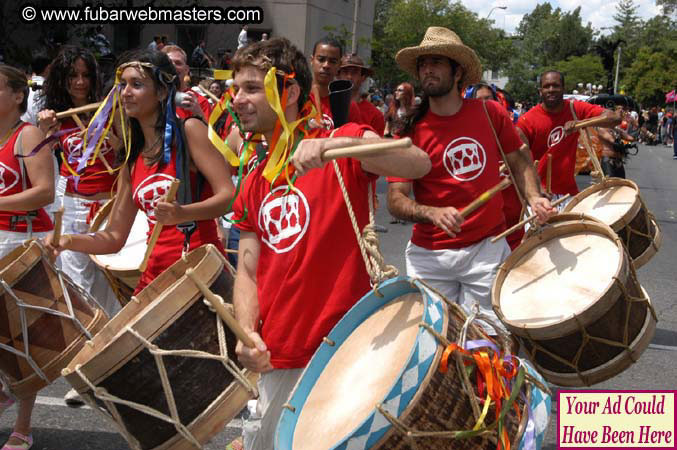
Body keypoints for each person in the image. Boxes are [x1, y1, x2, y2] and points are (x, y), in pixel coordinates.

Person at [226, 37, 430, 450]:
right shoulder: (253, 180)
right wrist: (247, 333)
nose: (237, 100)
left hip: (349, 350)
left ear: (289, 90)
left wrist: (336, 145)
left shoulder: (344, 142)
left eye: (250, 88)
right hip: (279, 354)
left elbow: (417, 162)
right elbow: (248, 270)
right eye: (235, 90)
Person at [386, 27, 554, 327]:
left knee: (487, 345)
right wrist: (431, 212)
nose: (427, 69)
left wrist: (534, 198)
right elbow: (396, 199)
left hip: (486, 249)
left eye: (436, 62)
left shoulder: (490, 114)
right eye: (423, 64)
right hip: (429, 257)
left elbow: (520, 161)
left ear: (458, 71)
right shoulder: (411, 130)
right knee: (433, 349)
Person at [44, 49, 233, 295]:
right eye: (123, 85)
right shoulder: (133, 158)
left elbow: (229, 196)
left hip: (201, 270)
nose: (126, 92)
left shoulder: (189, 131)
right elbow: (114, 237)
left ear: (162, 91)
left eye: (137, 84)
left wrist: (183, 213)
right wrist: (69, 241)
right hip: (155, 276)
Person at [37, 46, 120, 318]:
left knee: (115, 276)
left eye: (86, 75)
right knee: (78, 280)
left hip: (112, 206)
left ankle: (120, 332)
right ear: (62, 78)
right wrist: (43, 131)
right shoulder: (55, 118)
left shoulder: (111, 111)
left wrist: (116, 138)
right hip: (73, 206)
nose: (80, 82)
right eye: (73, 75)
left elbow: (127, 155)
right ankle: (92, 339)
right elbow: (37, 158)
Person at [0, 64, 54, 450]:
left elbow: (44, 192)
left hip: (22, 239)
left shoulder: (28, 133)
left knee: (24, 338)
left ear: (19, 95)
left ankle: (23, 426)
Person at [517, 71, 620, 206]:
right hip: (539, 196)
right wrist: (536, 191)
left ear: (563, 89)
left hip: (568, 195)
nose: (551, 90)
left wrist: (580, 124)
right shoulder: (527, 120)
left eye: (556, 86)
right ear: (540, 91)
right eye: (547, 86)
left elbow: (614, 118)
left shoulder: (575, 108)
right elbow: (519, 161)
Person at [309, 37, 362, 128]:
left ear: (339, 65)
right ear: (312, 60)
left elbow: (355, 138)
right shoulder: (297, 99)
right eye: (321, 59)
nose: (326, 65)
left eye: (333, 61)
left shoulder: (348, 106)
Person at [338, 53, 385, 136]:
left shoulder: (375, 115)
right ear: (338, 75)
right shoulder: (326, 105)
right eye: (345, 72)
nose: (349, 76)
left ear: (363, 77)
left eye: (354, 72)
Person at [161, 45, 210, 119]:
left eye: (178, 63)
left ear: (186, 69)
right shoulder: (151, 97)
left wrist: (198, 113)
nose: (173, 66)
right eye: (169, 63)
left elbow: (209, 130)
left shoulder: (200, 102)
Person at [21, 54, 51, 126]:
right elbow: (37, 116)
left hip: (22, 128)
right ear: (48, 68)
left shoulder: (25, 86)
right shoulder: (46, 89)